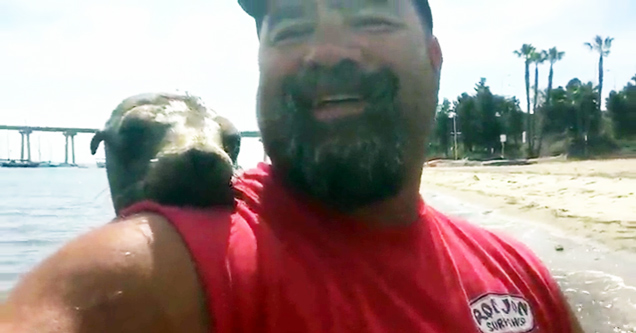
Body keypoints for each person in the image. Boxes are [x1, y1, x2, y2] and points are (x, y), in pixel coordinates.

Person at [2, 0, 585, 332]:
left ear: (434, 60)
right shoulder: (159, 259)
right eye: (292, 27)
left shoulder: (519, 274)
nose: (326, 49)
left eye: (369, 14)